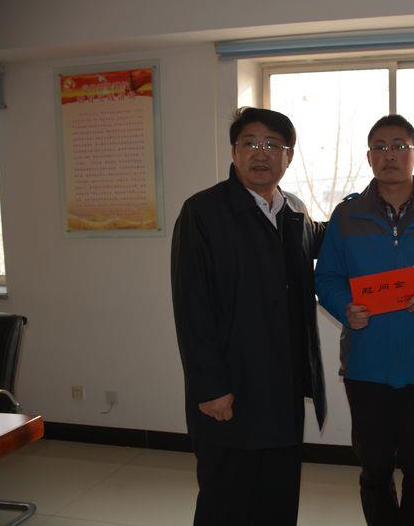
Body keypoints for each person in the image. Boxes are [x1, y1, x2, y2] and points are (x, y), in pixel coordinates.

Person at [315, 114, 414, 526]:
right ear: (369, 157)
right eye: (381, 147)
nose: (390, 155)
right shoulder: (346, 216)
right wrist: (345, 307)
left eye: (400, 146)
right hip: (366, 362)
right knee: (374, 469)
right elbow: (327, 277)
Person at [171, 107, 326, 525]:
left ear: (288, 156)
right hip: (230, 390)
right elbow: (191, 306)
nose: (262, 153)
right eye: (251, 143)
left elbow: (329, 241)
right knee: (226, 501)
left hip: (283, 390)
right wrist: (210, 387)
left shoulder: (294, 211)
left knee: (278, 499)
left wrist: (368, 213)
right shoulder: (203, 212)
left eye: (273, 144)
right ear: (234, 152)